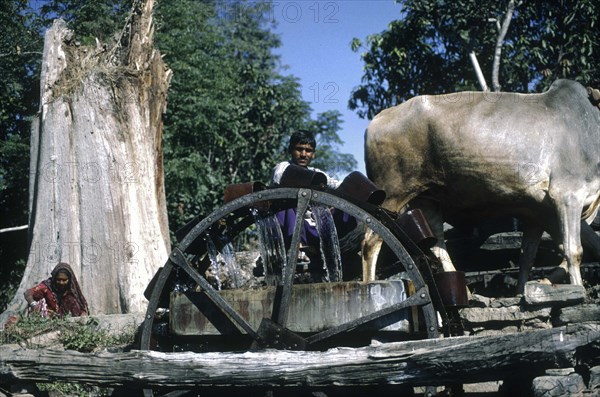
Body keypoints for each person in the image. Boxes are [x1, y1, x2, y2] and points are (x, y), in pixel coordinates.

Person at [271, 130, 356, 280]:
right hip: (293, 226)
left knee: (347, 206)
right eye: (299, 149)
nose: (303, 154)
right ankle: (295, 248)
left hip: (314, 228)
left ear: (313, 154)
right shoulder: (282, 167)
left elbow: (337, 185)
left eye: (308, 151)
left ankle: (342, 248)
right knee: (287, 199)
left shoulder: (317, 172)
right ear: (291, 150)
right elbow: (280, 178)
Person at [24, 262, 89, 318]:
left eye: (64, 280)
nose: (61, 283)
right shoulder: (47, 286)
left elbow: (81, 307)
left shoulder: (71, 289)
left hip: (64, 319)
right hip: (47, 317)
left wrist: (82, 314)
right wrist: (34, 304)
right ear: (54, 278)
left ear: (69, 280)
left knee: (70, 299)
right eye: (58, 279)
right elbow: (27, 293)